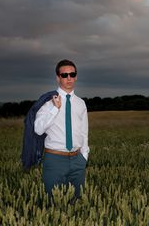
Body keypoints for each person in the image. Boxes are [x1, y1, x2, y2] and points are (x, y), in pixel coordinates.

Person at [34, 59, 89, 200]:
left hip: (78, 160)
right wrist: (55, 109)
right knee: (52, 204)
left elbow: (84, 132)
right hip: (55, 160)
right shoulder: (47, 102)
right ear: (58, 78)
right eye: (64, 75)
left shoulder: (80, 103)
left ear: (76, 76)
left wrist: (84, 156)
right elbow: (38, 129)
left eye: (72, 74)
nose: (69, 78)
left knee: (77, 205)